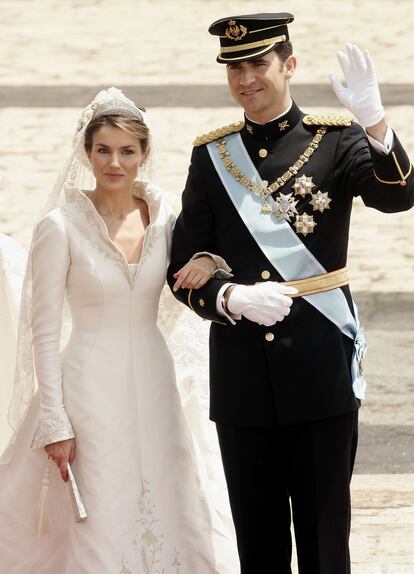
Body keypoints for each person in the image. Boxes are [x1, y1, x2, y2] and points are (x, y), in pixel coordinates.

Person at [167, 12, 414, 574]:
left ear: (289, 65)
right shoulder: (213, 156)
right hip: (242, 370)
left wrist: (375, 124)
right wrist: (229, 298)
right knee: (257, 539)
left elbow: (398, 197)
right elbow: (183, 262)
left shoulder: (335, 140)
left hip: (319, 360)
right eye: (235, 67)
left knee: (326, 537)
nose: (246, 78)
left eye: (258, 63)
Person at [0, 87, 237, 573]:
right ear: (86, 153)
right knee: (101, 508)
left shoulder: (167, 216)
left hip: (154, 379)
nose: (115, 162)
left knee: (168, 495)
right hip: (88, 389)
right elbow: (42, 331)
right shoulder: (59, 227)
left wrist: (208, 260)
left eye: (127, 151)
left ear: (144, 155)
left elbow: (208, 253)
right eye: (103, 150)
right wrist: (54, 419)